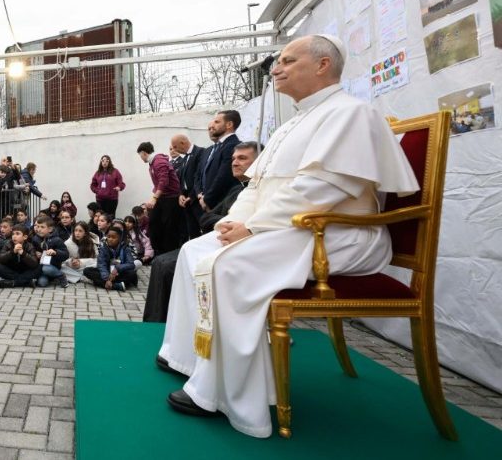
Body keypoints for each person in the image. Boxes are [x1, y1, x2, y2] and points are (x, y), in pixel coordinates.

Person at [157, 35, 419, 438]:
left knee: (230, 265)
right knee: (195, 250)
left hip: (338, 232)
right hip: (290, 228)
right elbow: (257, 187)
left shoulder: (351, 113)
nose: (276, 68)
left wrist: (253, 228)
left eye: (287, 60)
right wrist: (234, 222)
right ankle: (190, 358)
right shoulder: (292, 124)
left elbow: (320, 189)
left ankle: (227, 393)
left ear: (323, 65)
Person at [143, 141, 261, 323]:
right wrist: (225, 222)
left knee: (167, 267)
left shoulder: (262, 190)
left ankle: (180, 324)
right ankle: (157, 326)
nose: (235, 163)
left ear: (259, 161)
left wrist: (233, 224)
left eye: (242, 158)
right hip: (219, 238)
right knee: (160, 262)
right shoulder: (236, 190)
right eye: (233, 158)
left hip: (241, 250)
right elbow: (206, 218)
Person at [137, 141, 181, 256]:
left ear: (143, 153)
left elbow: (163, 181)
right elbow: (158, 184)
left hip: (170, 198)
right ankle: (158, 251)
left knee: (168, 227)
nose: (141, 158)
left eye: (140, 155)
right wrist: (153, 197)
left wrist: (155, 198)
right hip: (162, 198)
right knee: (154, 222)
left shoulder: (159, 161)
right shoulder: (152, 163)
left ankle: (169, 253)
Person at [195, 110, 241, 213]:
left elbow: (224, 176)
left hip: (222, 204)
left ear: (229, 125)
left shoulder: (232, 145)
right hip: (210, 202)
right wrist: (201, 195)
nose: (212, 125)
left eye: (217, 122)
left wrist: (207, 199)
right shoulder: (218, 146)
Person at [172, 134, 207, 243]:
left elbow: (199, 177)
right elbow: (182, 180)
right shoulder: (185, 158)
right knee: (193, 232)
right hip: (187, 201)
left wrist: (192, 196)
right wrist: (181, 194)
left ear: (182, 143)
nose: (174, 150)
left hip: (197, 199)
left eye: (175, 147)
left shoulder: (200, 152)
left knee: (205, 229)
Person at [84, 227, 137, 291]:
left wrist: (117, 268)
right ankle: (117, 286)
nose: (110, 239)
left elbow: (131, 264)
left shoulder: (125, 248)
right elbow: (101, 264)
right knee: (87, 271)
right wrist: (107, 279)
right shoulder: (104, 248)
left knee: (132, 274)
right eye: (109, 237)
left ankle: (104, 284)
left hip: (119, 274)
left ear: (120, 239)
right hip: (107, 273)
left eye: (113, 237)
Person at [0, 224, 38, 288]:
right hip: (12, 271)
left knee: (39, 267)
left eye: (17, 234)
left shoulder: (29, 246)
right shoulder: (8, 244)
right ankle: (26, 282)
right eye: (13, 234)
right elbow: (0, 259)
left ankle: (13, 283)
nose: (14, 236)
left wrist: (23, 253)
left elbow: (34, 264)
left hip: (25, 271)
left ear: (25, 237)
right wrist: (12, 252)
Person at [31, 216, 70, 288]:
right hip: (40, 267)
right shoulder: (35, 239)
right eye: (38, 226)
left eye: (42, 227)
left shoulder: (57, 240)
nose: (39, 229)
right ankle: (51, 277)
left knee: (46, 269)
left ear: (50, 229)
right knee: (42, 283)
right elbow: (32, 250)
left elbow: (66, 254)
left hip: (52, 266)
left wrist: (55, 252)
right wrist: (35, 253)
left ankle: (61, 276)